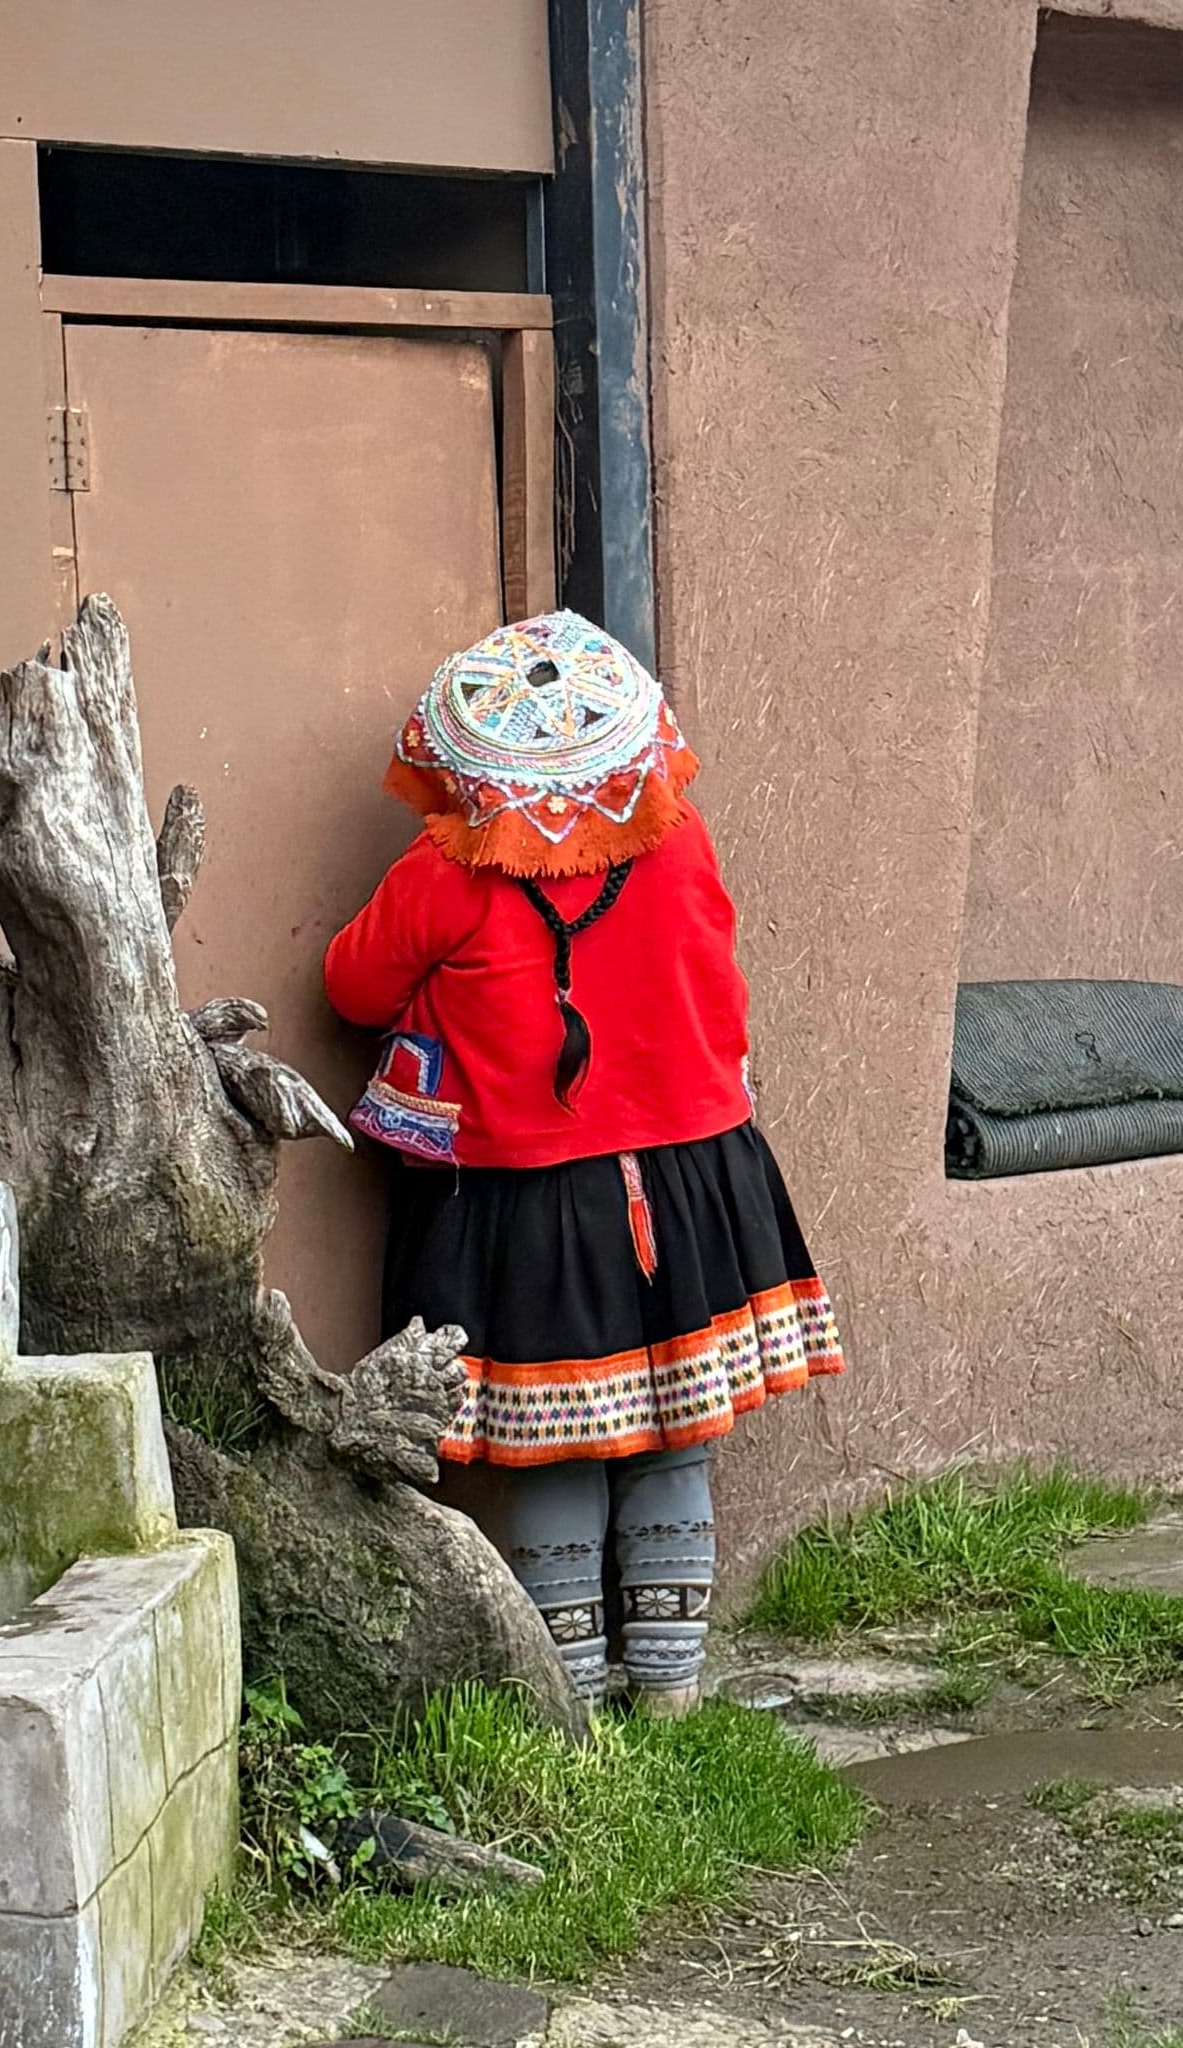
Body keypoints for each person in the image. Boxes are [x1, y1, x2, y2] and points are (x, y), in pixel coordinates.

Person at [324, 611, 845, 1714]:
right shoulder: (677, 836)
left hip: (534, 1202)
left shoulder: (443, 875)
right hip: (692, 1174)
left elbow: (352, 985)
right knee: (672, 1437)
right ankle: (670, 1690)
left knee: (561, 1443)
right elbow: (719, 982)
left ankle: (570, 1708)